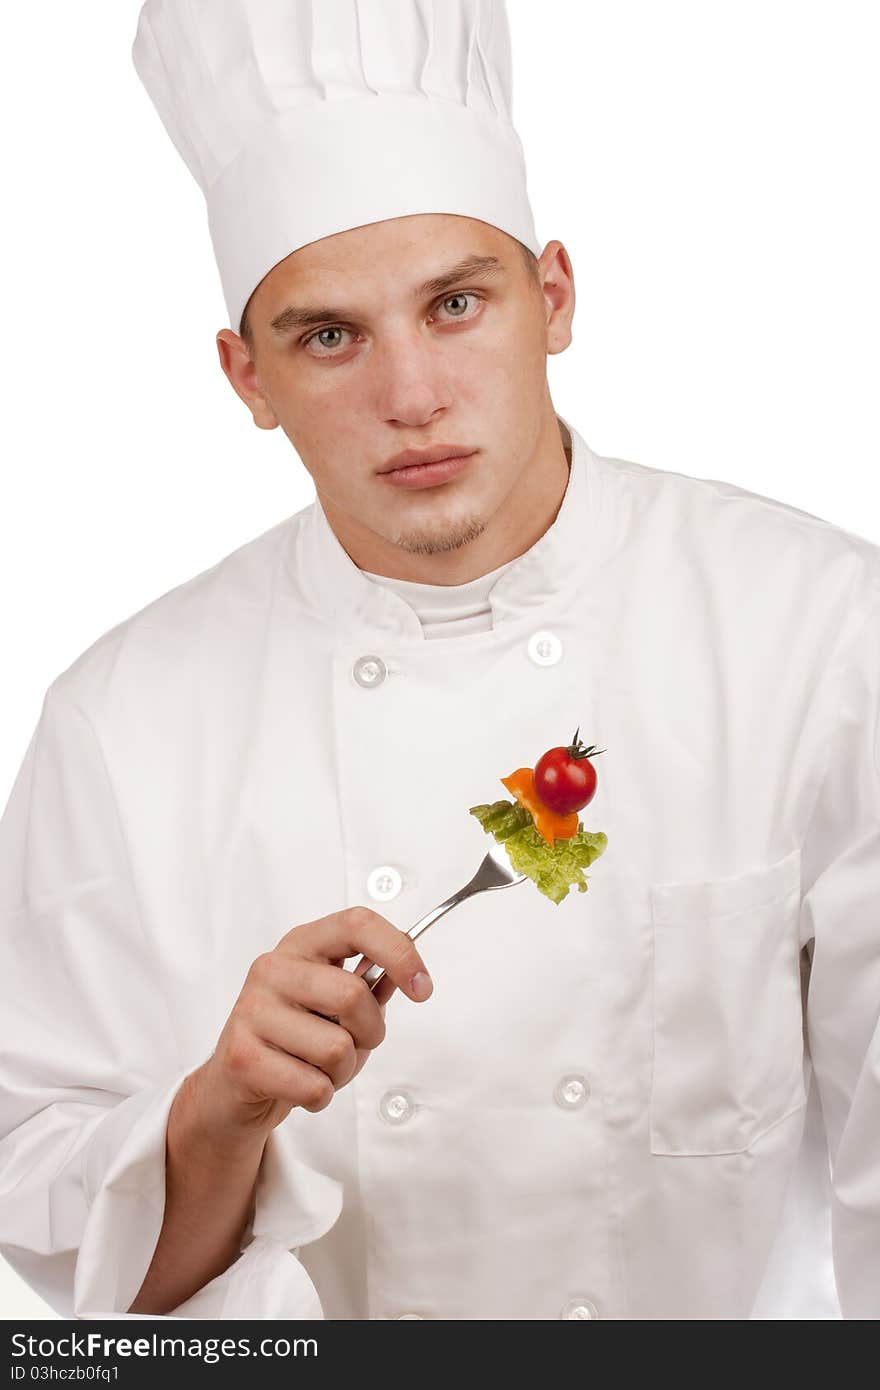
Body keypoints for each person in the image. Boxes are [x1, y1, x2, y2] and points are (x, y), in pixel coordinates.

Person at [0, 0, 877, 1322]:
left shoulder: (815, 632)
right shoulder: (125, 721)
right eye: (328, 335)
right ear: (247, 376)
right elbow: (90, 1283)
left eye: (457, 303)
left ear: (557, 297)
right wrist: (215, 1117)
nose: (411, 395)